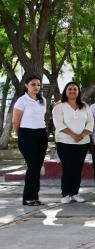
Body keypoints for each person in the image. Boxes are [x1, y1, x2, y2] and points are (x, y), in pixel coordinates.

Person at [52, 82, 94, 204]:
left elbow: (90, 122)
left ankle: (75, 193)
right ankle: (65, 194)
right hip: (64, 142)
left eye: (75, 89)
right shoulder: (59, 107)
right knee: (68, 168)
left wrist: (82, 135)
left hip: (82, 143)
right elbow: (59, 124)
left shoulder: (85, 106)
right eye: (69, 89)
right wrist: (74, 135)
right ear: (65, 91)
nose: (72, 91)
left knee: (77, 169)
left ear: (78, 92)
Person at [12, 75, 48, 206]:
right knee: (32, 167)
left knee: (37, 167)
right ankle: (28, 197)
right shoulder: (22, 101)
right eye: (33, 84)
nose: (36, 87)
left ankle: (34, 197)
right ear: (26, 85)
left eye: (38, 84)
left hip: (41, 134)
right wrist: (21, 137)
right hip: (26, 135)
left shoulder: (42, 99)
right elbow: (16, 121)